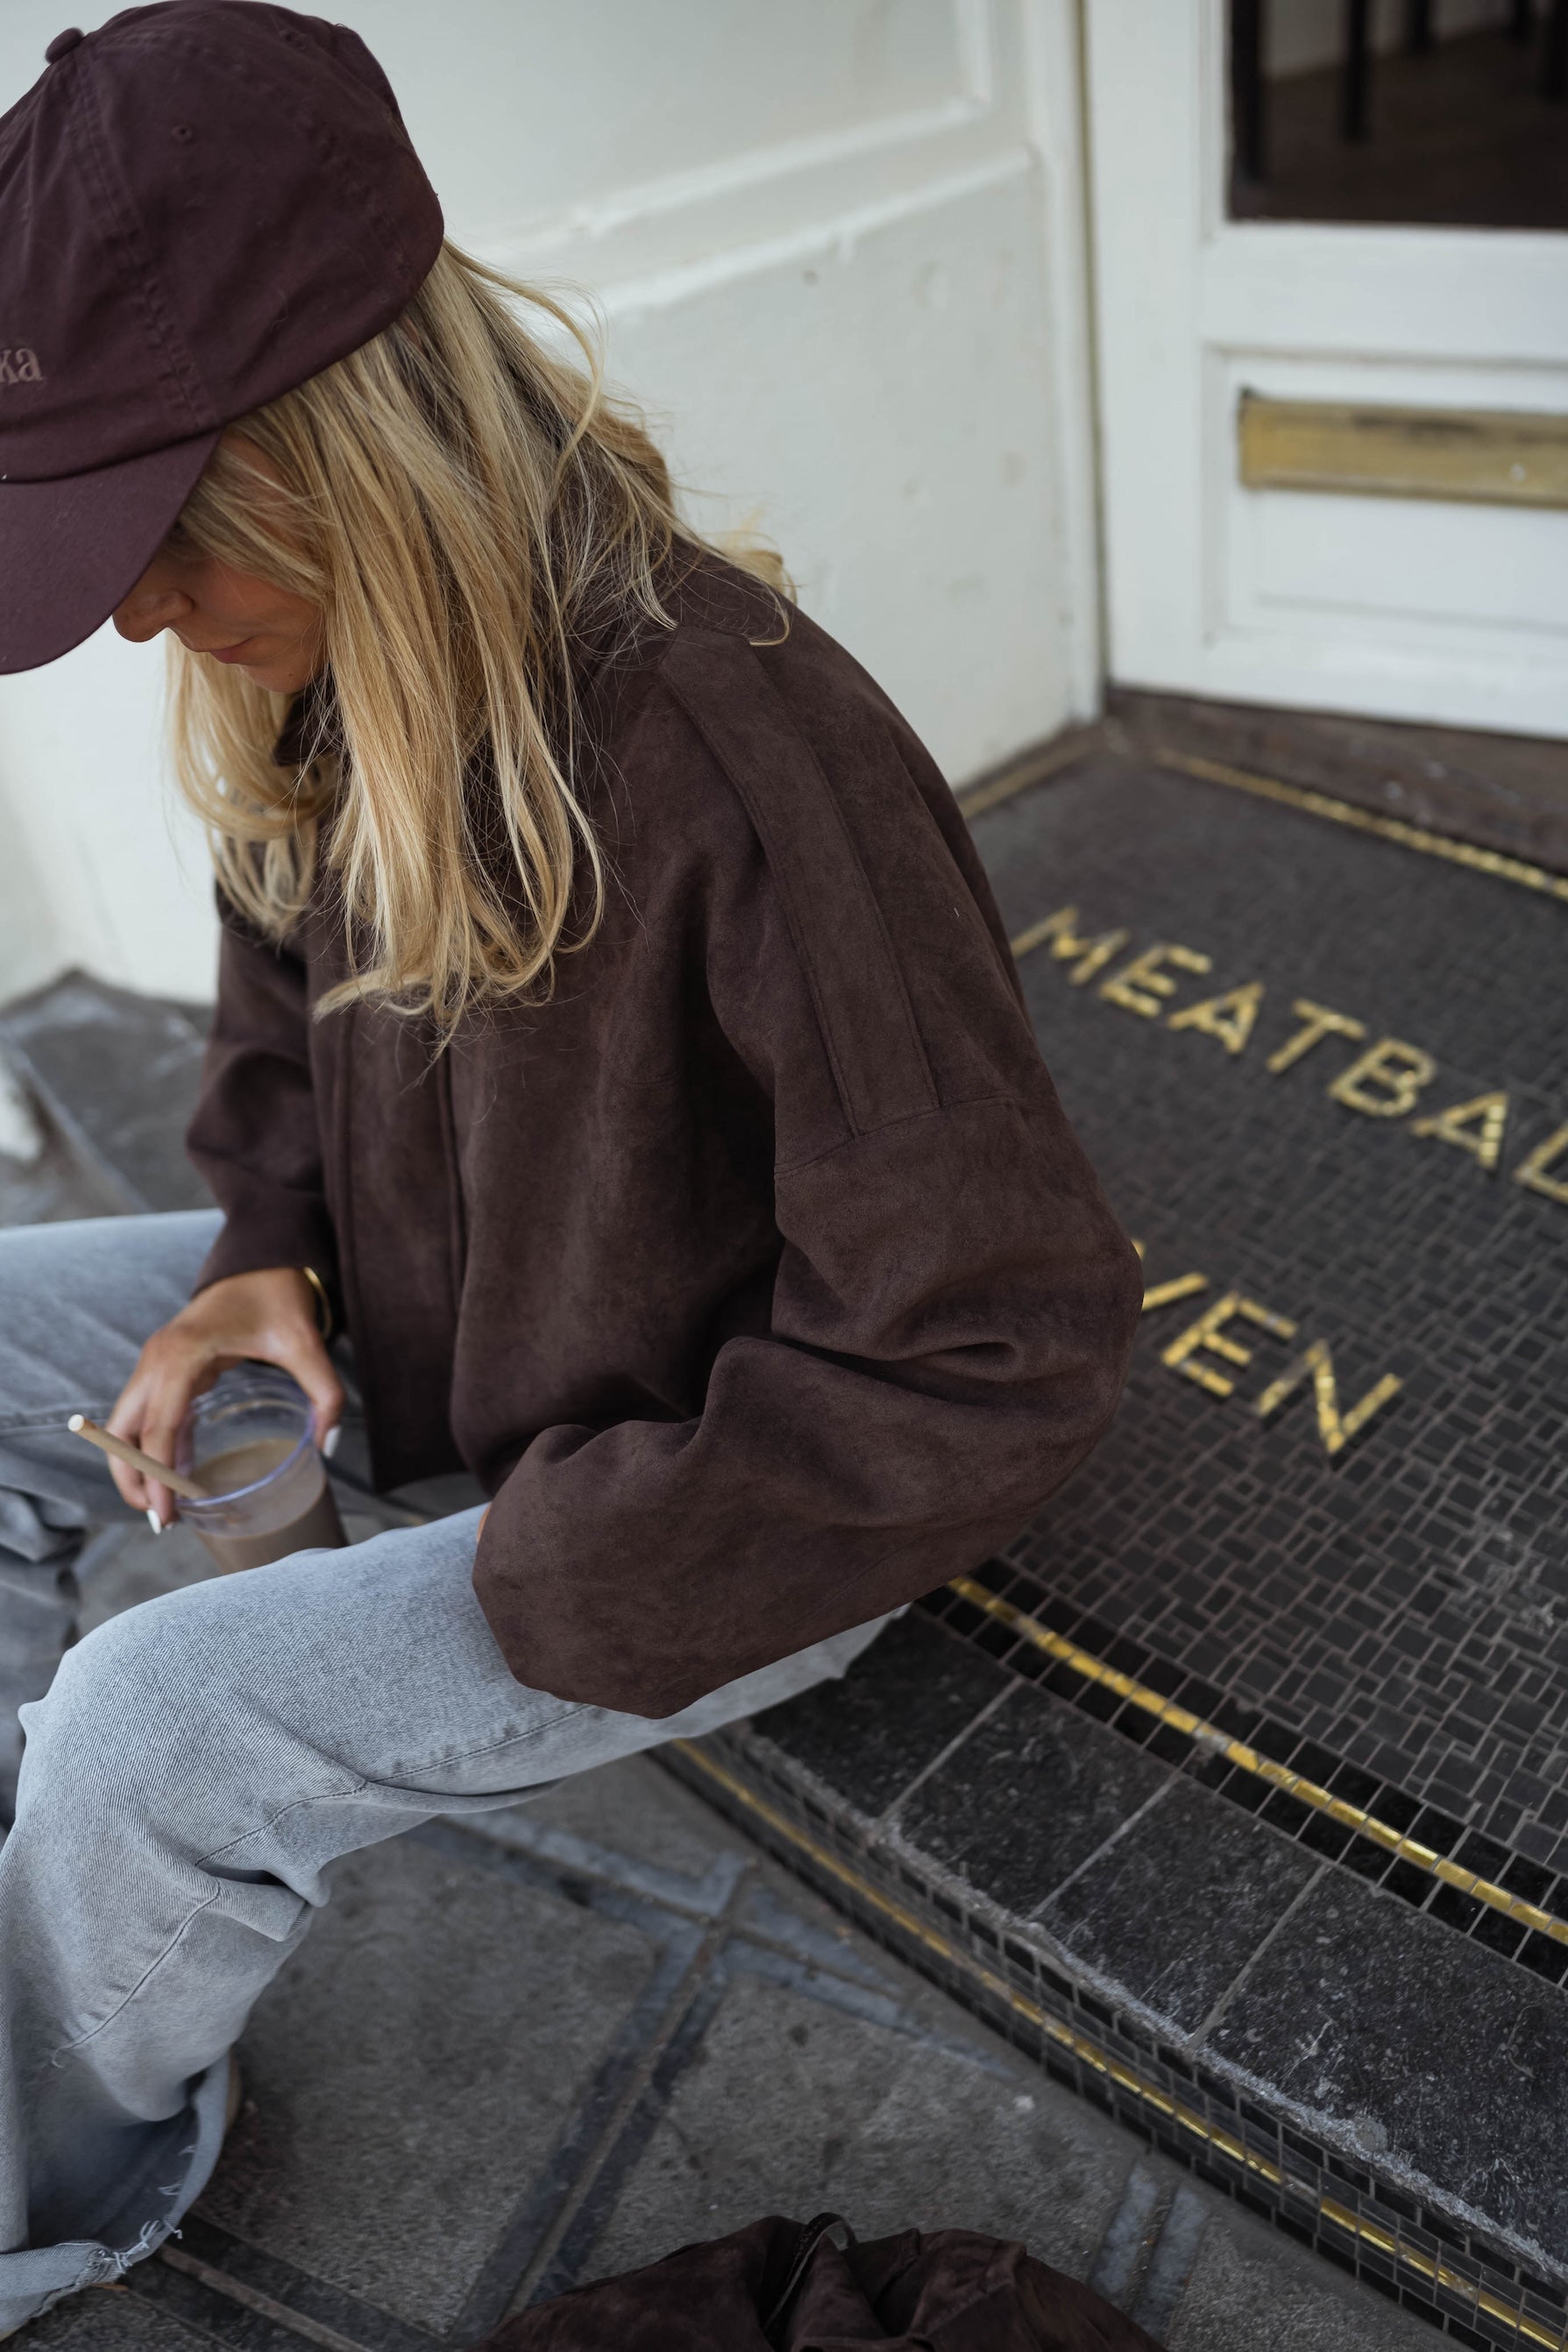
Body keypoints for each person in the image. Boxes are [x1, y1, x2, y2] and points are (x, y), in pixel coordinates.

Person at [0, 3, 1142, 2332]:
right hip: (436, 1353)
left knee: (156, 1728)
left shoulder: (748, 747)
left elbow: (997, 1346)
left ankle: (49, 2158)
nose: (131, 608)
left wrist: (560, 1561)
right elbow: (273, 1027)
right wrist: (257, 1256)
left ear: (337, 451)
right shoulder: (312, 672)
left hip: (682, 1518)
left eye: (161, 537)